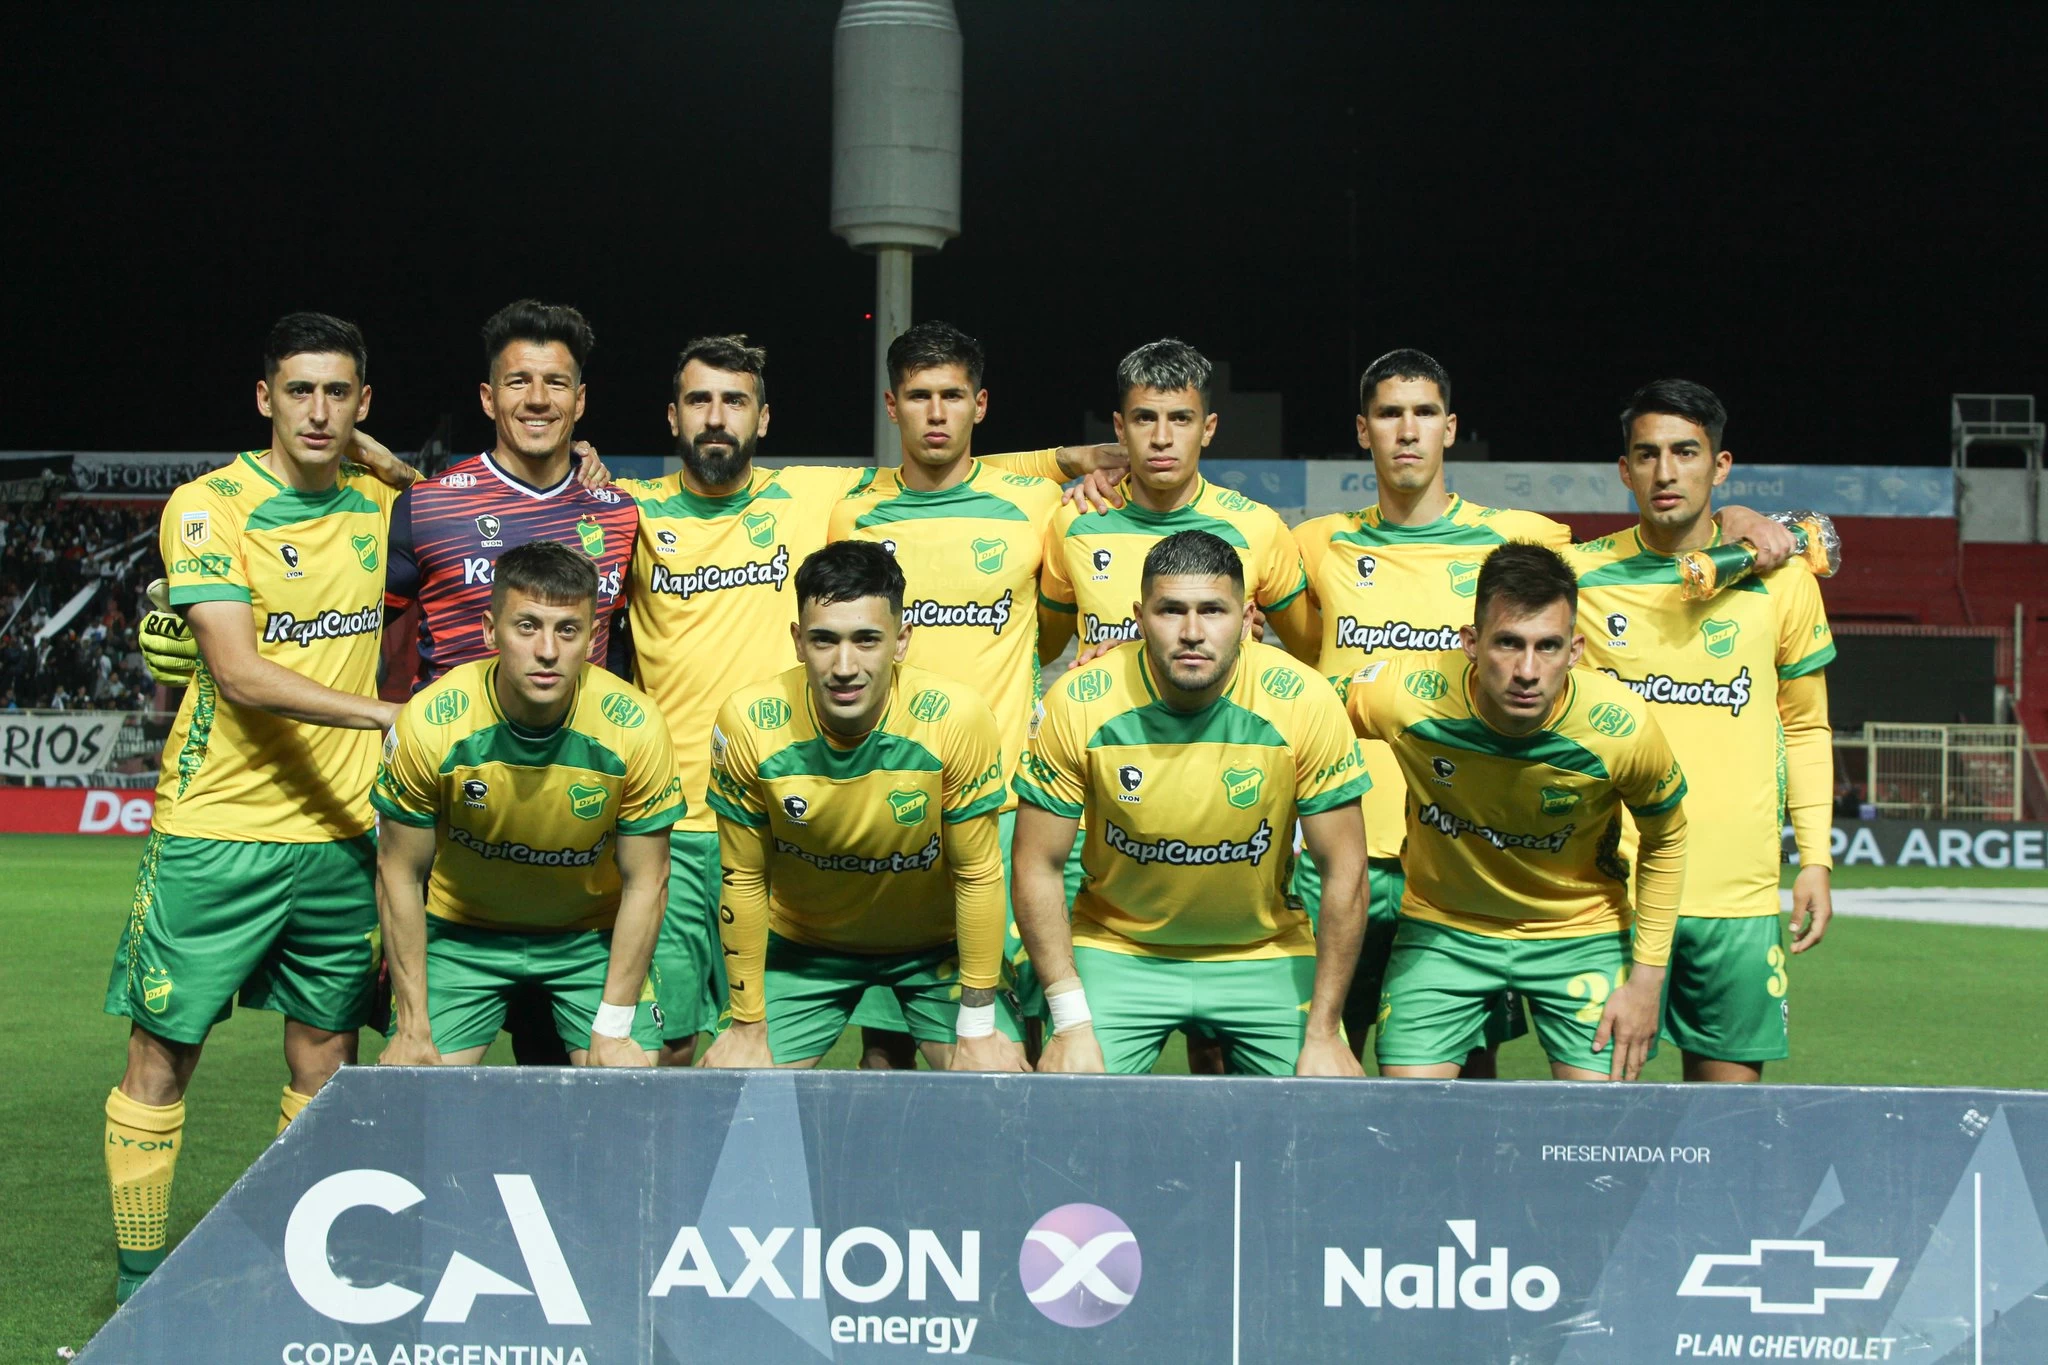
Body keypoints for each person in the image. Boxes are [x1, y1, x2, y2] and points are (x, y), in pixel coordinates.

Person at [1295, 347, 1807, 1070]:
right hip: (1345, 851)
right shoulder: (1312, 544)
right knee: (1313, 1059)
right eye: (1389, 414)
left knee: (1476, 1071)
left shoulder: (1527, 540)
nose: (1407, 430)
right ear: (1362, 428)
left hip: (1479, 871)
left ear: (1450, 427)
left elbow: (1657, 540)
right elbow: (1259, 653)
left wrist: (1735, 518)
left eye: (1425, 412)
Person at [614, 336, 1120, 1066]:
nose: (717, 417)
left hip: (953, 803)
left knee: (990, 1045)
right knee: (685, 1044)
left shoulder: (834, 496)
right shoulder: (635, 509)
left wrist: (1064, 463)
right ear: (672, 416)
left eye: (735, 401)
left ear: (763, 418)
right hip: (717, 812)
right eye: (699, 401)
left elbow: (947, 465)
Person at [100, 313, 403, 1303]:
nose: (317, 411)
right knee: (162, 1052)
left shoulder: (378, 504)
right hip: (215, 828)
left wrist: (389, 464)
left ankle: (291, 1275)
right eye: (299, 389)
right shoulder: (208, 506)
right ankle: (138, 1285)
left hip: (342, 836)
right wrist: (385, 716)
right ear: (264, 396)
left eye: (338, 392)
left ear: (362, 405)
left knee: (326, 1058)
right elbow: (236, 672)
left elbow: (465, 517)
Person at [1037, 338, 1318, 1072]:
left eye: (1180, 419)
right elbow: (1040, 644)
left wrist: (1248, 648)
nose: (1162, 437)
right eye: (1144, 418)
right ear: (1118, 427)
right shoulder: (1075, 520)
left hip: (1230, 802)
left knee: (1220, 1054)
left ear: (1209, 427)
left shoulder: (1257, 528)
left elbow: (1312, 650)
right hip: (1109, 810)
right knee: (1072, 1044)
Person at [1013, 530, 1371, 1077]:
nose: (1192, 633)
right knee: (1071, 1092)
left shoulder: (1303, 700)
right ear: (1139, 617)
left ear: (1247, 618)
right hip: (1119, 948)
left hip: (1265, 950)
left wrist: (1323, 1032)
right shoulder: (1080, 701)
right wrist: (1070, 1023)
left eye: (1213, 610)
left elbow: (1345, 868)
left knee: (1324, 1102)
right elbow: (1037, 864)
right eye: (1171, 610)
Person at [1340, 541, 1688, 1082]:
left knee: (1601, 1118)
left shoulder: (1622, 730)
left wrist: (1646, 982)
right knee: (1407, 1109)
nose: (1528, 670)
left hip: (1581, 932)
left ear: (1575, 651)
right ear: (1471, 643)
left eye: (1548, 647)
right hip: (1445, 928)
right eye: (1508, 643)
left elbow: (1667, 839)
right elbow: (1305, 716)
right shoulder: (1404, 695)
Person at [1571, 379, 1834, 1082]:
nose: (1666, 471)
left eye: (1686, 452)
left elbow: (1806, 726)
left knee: (1729, 1124)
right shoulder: (1579, 578)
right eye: (1647, 454)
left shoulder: (1783, 582)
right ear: (1624, 469)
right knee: (1597, 1123)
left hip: (1738, 899)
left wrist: (1815, 857)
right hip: (1611, 898)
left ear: (1720, 466)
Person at [828, 321, 1069, 1066]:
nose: (936, 413)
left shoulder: (1038, 505)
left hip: (1001, 808)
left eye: (953, 396)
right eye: (919, 396)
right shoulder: (853, 513)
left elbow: (1058, 627)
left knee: (1010, 1040)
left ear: (980, 405)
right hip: (892, 804)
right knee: (886, 1044)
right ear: (892, 405)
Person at [699, 541, 1025, 1071]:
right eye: (824, 640)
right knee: (734, 1088)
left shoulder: (956, 718)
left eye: (867, 640)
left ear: (901, 641)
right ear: (798, 641)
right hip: (802, 948)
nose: (844, 667)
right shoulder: (748, 722)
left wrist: (978, 1027)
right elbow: (744, 878)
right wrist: (747, 1024)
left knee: (996, 1083)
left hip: (935, 949)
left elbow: (977, 876)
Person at [373, 540, 680, 1067]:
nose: (547, 651)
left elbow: (647, 882)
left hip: (589, 939)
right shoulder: (431, 722)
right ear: (490, 631)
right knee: (417, 1083)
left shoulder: (634, 727)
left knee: (625, 1082)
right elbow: (398, 872)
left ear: (593, 636)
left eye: (568, 630)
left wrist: (612, 1029)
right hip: (463, 935)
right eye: (527, 626)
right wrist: (412, 1026)